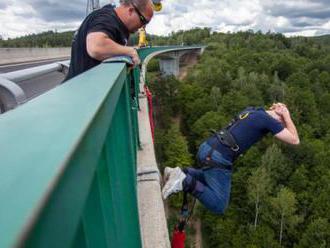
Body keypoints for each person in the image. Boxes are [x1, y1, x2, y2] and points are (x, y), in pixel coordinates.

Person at [162, 103, 300, 214]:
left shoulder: (252, 110)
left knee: (210, 180)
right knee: (219, 205)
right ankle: (183, 180)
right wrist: (287, 116)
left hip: (207, 147)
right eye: (282, 122)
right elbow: (294, 140)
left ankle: (183, 173)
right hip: (218, 157)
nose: (282, 125)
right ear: (279, 115)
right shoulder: (268, 120)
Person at [63, 0, 154, 82]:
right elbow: (96, 47)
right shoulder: (107, 19)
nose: (143, 27)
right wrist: (130, 51)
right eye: (143, 21)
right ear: (130, 11)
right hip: (77, 92)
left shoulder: (116, 21)